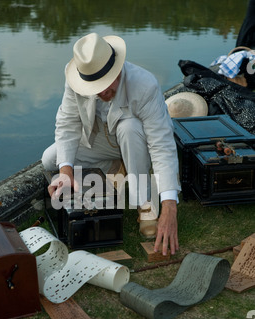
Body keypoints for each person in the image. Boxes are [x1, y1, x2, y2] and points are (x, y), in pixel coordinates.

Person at [42, 33, 181, 256]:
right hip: (102, 141)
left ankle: (144, 204)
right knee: (50, 160)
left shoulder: (145, 85)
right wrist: (66, 171)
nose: (103, 92)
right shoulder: (75, 81)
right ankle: (116, 168)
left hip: (136, 138)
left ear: (118, 68)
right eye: (95, 87)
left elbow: (161, 145)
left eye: (107, 83)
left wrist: (169, 205)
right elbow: (68, 123)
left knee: (129, 128)